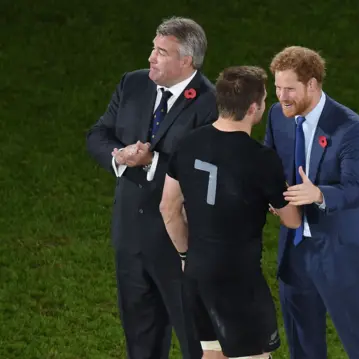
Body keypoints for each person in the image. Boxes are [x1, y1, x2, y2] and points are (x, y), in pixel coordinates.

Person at [85, 16, 217, 359]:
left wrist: (152, 164)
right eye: (153, 49)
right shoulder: (133, 84)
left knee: (195, 341)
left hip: (179, 244)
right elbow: (98, 135)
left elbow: (205, 173)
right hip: (130, 237)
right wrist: (120, 156)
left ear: (185, 61)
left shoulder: (209, 104)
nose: (151, 58)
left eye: (161, 52)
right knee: (140, 342)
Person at [159, 65, 301, 359]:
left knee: (212, 355)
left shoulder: (188, 143)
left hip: (197, 274)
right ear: (253, 108)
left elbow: (168, 208)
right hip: (239, 281)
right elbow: (292, 219)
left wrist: (186, 255)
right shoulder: (262, 159)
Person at [264, 46, 359, 359]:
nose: (282, 97)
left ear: (313, 84)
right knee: (303, 348)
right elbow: (268, 164)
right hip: (295, 253)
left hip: (341, 255)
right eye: (277, 88)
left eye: (289, 89)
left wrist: (318, 194)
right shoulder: (278, 116)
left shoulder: (351, 128)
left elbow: (354, 190)